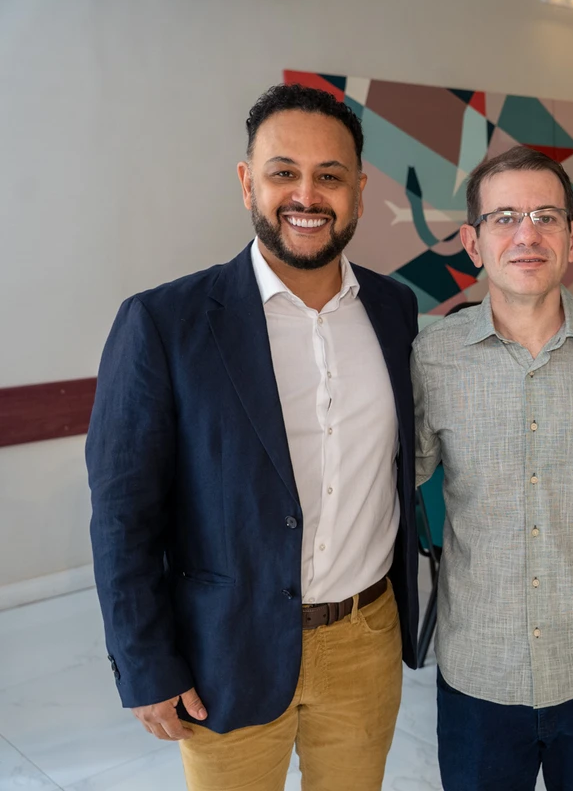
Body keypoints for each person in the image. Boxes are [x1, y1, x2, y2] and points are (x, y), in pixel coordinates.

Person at [86, 83, 419, 791]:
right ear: (247, 184)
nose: (307, 194)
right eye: (283, 172)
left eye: (330, 176)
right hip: (225, 649)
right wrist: (146, 662)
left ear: (360, 191)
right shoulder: (164, 323)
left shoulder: (396, 311)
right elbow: (123, 515)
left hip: (365, 640)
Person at [411, 145, 573, 791]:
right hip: (480, 672)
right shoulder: (431, 356)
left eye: (546, 217)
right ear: (473, 240)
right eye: (505, 217)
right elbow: (386, 485)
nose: (527, 235)